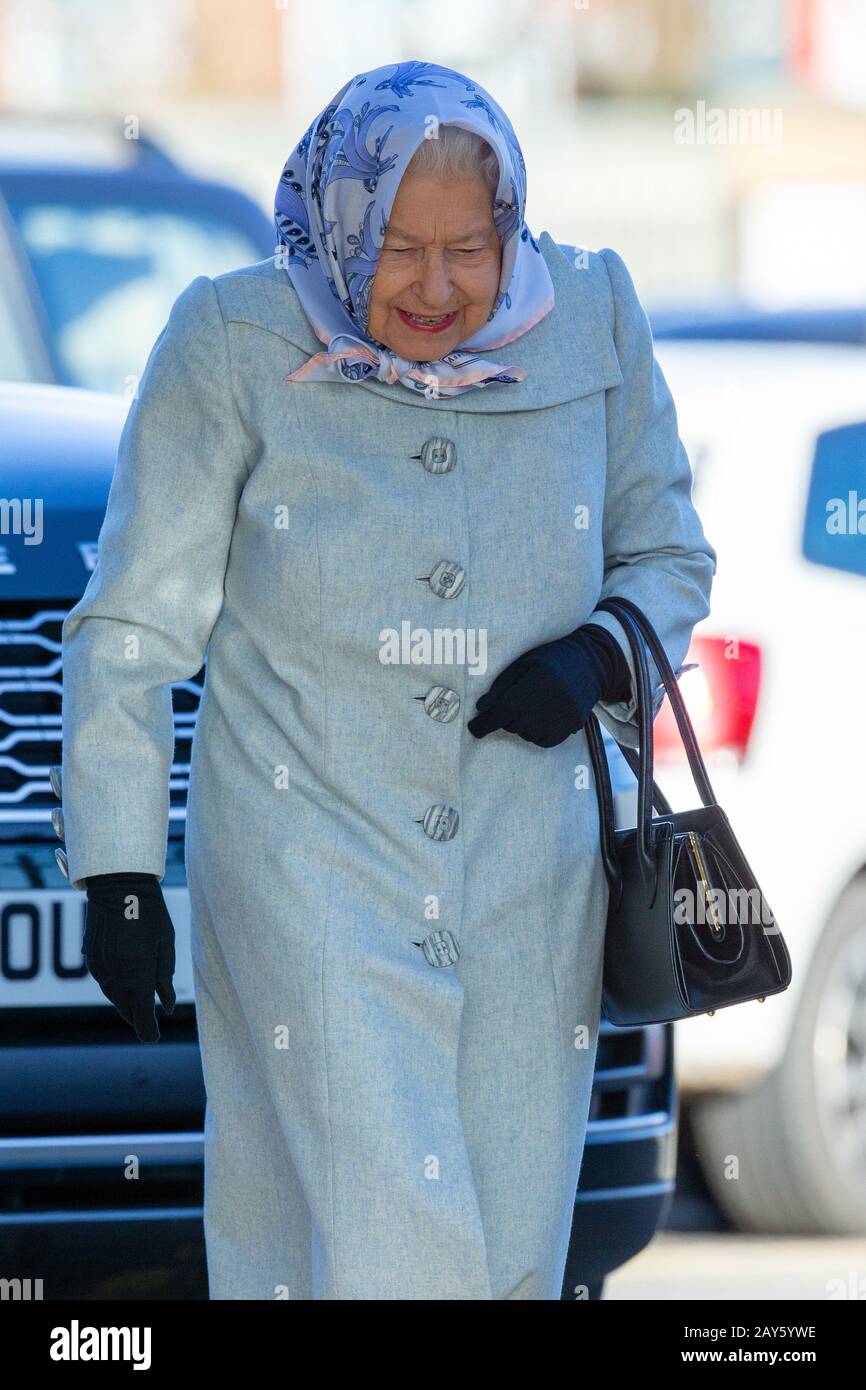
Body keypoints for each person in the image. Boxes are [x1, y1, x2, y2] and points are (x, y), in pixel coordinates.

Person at [59, 59, 716, 1300]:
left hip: (535, 872)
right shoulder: (235, 336)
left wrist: (598, 654)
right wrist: (119, 869)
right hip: (312, 853)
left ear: (511, 223)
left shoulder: (595, 314)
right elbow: (133, 620)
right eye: (396, 249)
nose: (435, 290)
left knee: (510, 1243)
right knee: (389, 1242)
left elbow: (667, 552)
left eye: (469, 249)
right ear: (337, 220)